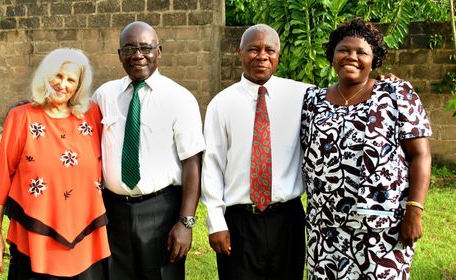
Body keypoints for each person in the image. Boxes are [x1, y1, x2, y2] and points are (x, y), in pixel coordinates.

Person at [300, 18, 432, 279]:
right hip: (325, 227)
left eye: (362, 52)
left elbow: (421, 155)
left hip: (381, 228)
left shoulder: (395, 93)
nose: (352, 57)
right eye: (344, 50)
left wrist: (414, 211)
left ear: (374, 59)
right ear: (332, 56)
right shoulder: (312, 100)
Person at [91, 21, 204, 280]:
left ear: (159, 51)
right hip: (113, 212)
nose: (138, 55)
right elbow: (74, 124)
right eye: (129, 48)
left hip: (161, 211)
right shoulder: (104, 95)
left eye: (145, 48)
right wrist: (32, 107)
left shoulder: (180, 98)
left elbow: (192, 164)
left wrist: (186, 222)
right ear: (119, 55)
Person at [0, 48, 110, 279]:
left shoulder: (92, 115)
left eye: (71, 79)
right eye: (58, 76)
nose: (63, 84)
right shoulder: (21, 117)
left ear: (79, 85)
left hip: (86, 239)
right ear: (46, 76)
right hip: (34, 238)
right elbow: (0, 178)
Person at [201, 24, 311, 279]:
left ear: (278, 56)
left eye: (269, 50)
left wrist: (381, 84)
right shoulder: (222, 104)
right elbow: (213, 166)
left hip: (287, 218)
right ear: (240, 53)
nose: (261, 56)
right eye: (253, 49)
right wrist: (216, 223)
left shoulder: (303, 95)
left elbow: (345, 98)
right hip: (240, 220)